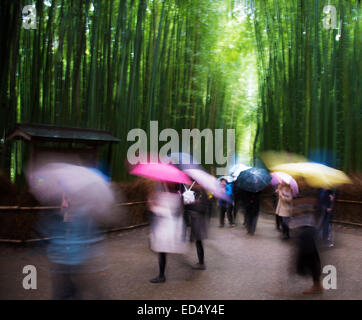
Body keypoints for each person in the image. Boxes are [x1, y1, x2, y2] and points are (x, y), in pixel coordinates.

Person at [149, 182, 186, 283]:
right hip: (170, 226)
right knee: (164, 251)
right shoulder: (177, 196)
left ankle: (161, 276)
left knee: (162, 251)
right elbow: (177, 212)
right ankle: (162, 275)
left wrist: (153, 206)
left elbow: (163, 211)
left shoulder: (166, 196)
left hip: (165, 228)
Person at [289, 184, 323, 294]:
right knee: (311, 258)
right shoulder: (307, 194)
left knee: (309, 258)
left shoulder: (312, 196)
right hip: (306, 230)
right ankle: (317, 285)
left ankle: (316, 285)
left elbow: (313, 209)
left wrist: (298, 207)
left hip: (308, 231)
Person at [183, 184, 210, 270]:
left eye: (196, 184)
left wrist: (193, 203)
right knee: (198, 241)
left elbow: (203, 208)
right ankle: (201, 262)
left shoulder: (203, 193)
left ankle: (201, 263)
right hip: (196, 220)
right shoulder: (198, 192)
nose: (193, 185)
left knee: (199, 241)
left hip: (199, 221)